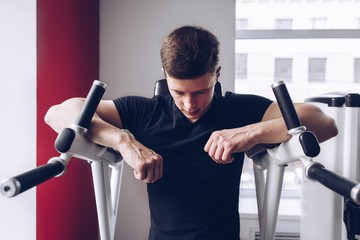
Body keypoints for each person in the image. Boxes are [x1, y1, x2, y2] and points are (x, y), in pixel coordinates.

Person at [45, 25, 338, 240]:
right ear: (165, 74)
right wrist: (123, 140)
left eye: (200, 91)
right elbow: (58, 113)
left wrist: (252, 132)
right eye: (178, 92)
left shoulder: (237, 110)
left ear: (217, 74)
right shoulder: (145, 111)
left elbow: (324, 123)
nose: (189, 103)